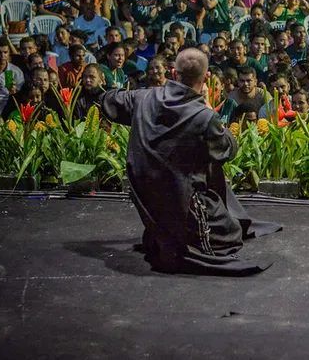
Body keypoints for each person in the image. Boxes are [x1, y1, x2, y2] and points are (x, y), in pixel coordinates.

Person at [99, 48, 280, 275]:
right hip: (179, 197)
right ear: (206, 79)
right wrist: (205, 107)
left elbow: (107, 99)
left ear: (174, 74)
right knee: (230, 236)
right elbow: (227, 150)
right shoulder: (203, 115)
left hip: (145, 194)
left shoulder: (144, 97)